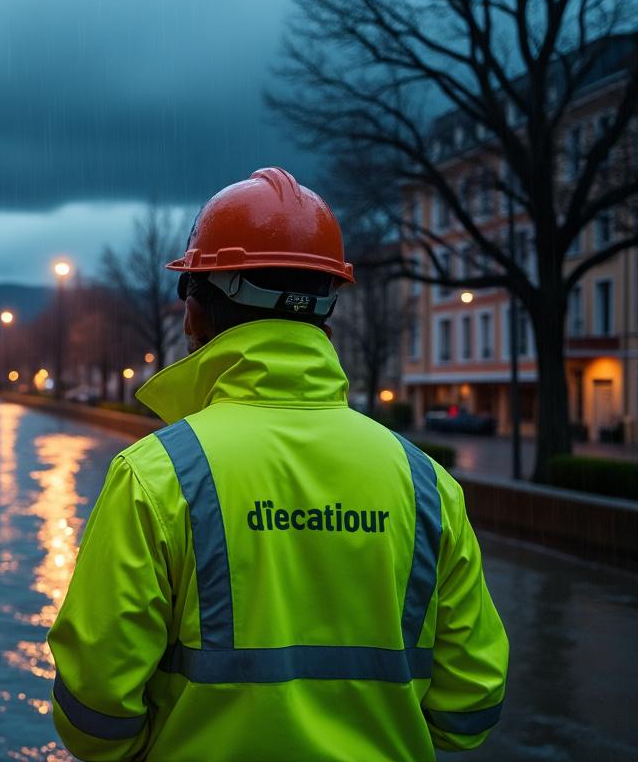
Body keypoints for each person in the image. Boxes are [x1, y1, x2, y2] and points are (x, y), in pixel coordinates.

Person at [47, 167, 508, 761]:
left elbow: (94, 718)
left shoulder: (156, 476)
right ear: (326, 312)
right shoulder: (425, 484)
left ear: (194, 314)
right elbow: (469, 711)